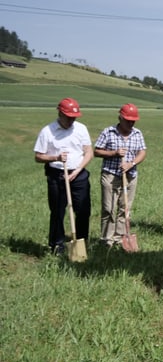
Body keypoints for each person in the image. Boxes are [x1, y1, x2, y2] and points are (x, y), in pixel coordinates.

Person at [33, 98, 94, 254]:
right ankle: (57, 244)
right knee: (58, 211)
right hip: (57, 175)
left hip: (79, 174)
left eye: (74, 117)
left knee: (83, 210)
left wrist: (78, 170)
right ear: (60, 113)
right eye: (68, 117)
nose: (72, 120)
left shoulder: (81, 129)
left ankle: (81, 241)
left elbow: (89, 152)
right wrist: (56, 158)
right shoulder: (47, 131)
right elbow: (38, 156)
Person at [93, 103, 148, 248]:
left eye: (133, 121)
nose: (131, 123)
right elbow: (96, 151)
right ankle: (106, 239)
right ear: (120, 118)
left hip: (130, 176)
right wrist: (114, 153)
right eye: (128, 120)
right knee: (108, 208)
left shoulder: (137, 133)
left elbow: (142, 152)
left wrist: (131, 163)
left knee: (125, 208)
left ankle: (120, 237)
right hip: (110, 176)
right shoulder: (109, 132)